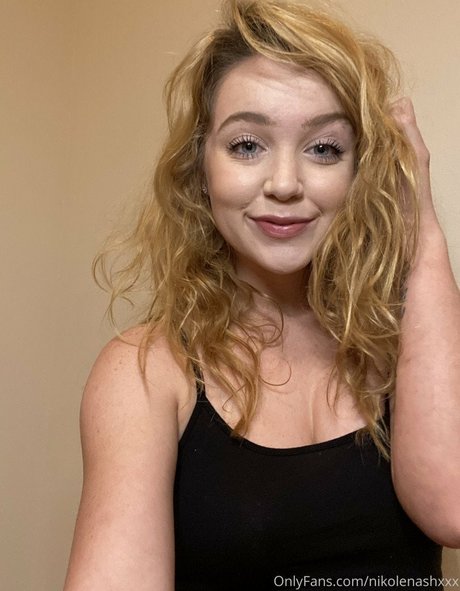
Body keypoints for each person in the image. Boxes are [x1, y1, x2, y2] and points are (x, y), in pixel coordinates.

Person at [63, 1, 460, 589]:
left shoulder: (411, 344)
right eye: (248, 145)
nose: (284, 184)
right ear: (200, 168)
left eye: (324, 148)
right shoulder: (145, 372)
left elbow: (452, 510)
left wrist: (420, 229)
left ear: (361, 173)